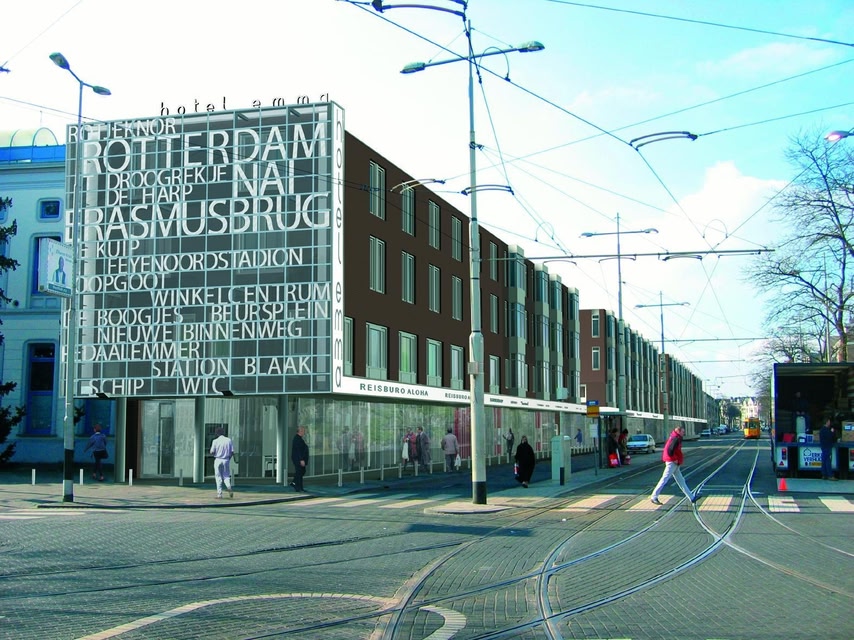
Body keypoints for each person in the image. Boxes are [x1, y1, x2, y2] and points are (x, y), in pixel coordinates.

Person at [650, 425, 696, 505]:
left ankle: (692, 498)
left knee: (681, 481)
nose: (684, 433)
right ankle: (654, 497)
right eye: (682, 431)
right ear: (678, 431)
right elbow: (670, 450)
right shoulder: (676, 438)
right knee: (664, 479)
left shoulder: (674, 437)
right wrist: (675, 459)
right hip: (672, 463)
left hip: (673, 463)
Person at [209, 426, 234, 498]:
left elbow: (212, 452)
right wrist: (228, 458)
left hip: (218, 459)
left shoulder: (215, 441)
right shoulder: (229, 440)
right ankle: (229, 487)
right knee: (226, 476)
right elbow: (232, 452)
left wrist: (215, 454)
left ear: (217, 433)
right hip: (226, 460)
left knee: (218, 477)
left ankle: (219, 494)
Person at [291, 426, 309, 492]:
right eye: (303, 431)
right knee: (299, 472)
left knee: (301, 472)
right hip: (298, 459)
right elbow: (298, 450)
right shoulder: (297, 439)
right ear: (300, 431)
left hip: (299, 459)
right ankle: (298, 487)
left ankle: (295, 483)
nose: (304, 432)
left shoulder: (299, 439)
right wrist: (301, 459)